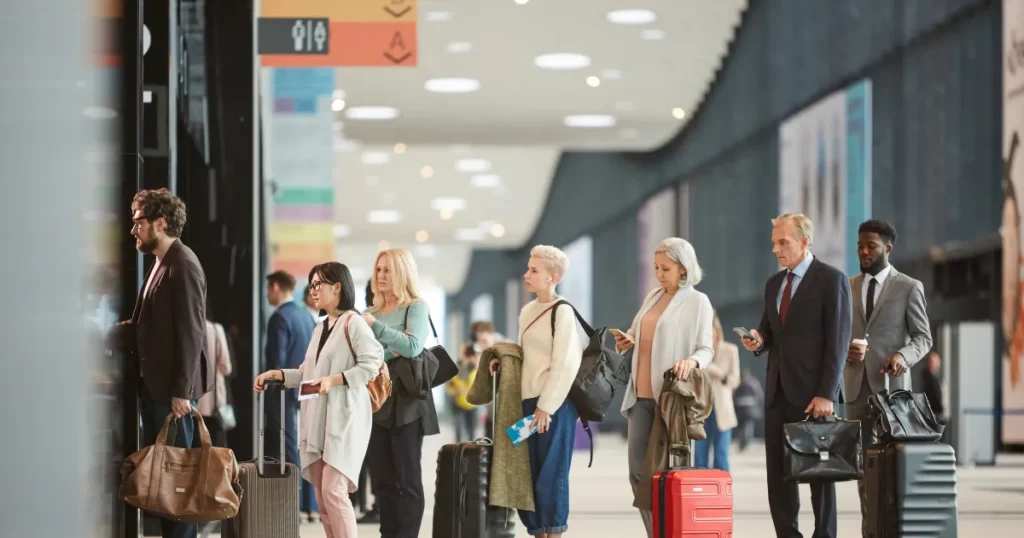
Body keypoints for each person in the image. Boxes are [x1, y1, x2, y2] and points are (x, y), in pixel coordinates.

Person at [253, 262, 384, 538]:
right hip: (318, 420)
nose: (312, 290)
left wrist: (333, 380)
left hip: (345, 418)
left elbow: (372, 364)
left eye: (318, 284)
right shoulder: (319, 327)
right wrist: (276, 374)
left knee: (334, 492)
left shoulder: (353, 322)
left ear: (337, 287)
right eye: (311, 285)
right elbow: (306, 372)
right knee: (324, 500)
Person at [740, 212, 852, 538]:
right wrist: (758, 340)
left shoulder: (831, 280)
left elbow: (838, 341)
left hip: (814, 396)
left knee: (820, 476)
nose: (776, 249)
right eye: (774, 243)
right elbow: (770, 330)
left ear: (804, 241)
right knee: (778, 477)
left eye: (783, 242)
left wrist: (827, 393)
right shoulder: (774, 284)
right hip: (776, 393)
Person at [612, 237, 715, 536]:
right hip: (640, 396)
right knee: (636, 473)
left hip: (670, 400)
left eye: (665, 268)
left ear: (683, 269)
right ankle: (656, 531)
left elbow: (706, 350)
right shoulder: (653, 297)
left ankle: (671, 531)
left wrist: (691, 362)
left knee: (667, 475)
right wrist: (625, 341)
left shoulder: (698, 302)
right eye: (656, 267)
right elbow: (636, 333)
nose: (659, 274)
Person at [124, 188, 210, 538]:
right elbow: (144, 325)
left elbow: (192, 333)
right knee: (166, 478)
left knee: (176, 479)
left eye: (138, 222)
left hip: (171, 394)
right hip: (158, 387)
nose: (133, 230)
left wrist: (181, 392)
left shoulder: (183, 263)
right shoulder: (163, 261)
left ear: (160, 223)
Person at [844, 219, 933, 535]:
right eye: (860, 246)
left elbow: (923, 338)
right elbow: (838, 335)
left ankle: (895, 530)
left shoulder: (909, 287)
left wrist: (902, 356)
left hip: (893, 395)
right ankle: (870, 530)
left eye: (871, 246)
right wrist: (847, 352)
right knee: (863, 471)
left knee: (894, 468)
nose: (864, 251)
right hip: (856, 391)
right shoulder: (849, 286)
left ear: (888, 248)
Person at [490, 245, 583, 538]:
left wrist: (547, 406)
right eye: (528, 268)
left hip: (553, 407)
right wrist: (502, 362)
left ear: (551, 278)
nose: (526, 274)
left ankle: (552, 533)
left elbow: (565, 364)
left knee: (551, 475)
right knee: (525, 474)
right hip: (526, 405)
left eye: (534, 270)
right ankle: (537, 531)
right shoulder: (528, 310)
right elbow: (524, 355)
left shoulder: (563, 311)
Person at [363, 248, 440, 538]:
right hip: (376, 400)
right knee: (382, 479)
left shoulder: (415, 307)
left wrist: (379, 332)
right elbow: (365, 356)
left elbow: (412, 347)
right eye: (379, 269)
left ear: (402, 273)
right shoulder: (368, 313)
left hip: (407, 401)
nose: (381, 275)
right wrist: (390, 346)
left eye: (388, 270)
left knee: (406, 478)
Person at [264, 270, 319, 521]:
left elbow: (276, 362)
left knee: (286, 449)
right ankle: (310, 505)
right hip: (306, 393)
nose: (267, 295)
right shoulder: (305, 318)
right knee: (305, 447)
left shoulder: (280, 318)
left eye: (268, 289)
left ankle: (292, 507)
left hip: (285, 394)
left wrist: (271, 391)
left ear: (275, 287)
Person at [693, 310, 741, 472]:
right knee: (699, 458)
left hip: (723, 411)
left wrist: (718, 372)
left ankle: (722, 494)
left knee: (721, 456)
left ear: (717, 333)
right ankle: (701, 493)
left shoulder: (730, 350)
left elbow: (735, 380)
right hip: (701, 411)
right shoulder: (696, 353)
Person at [447, 343, 481, 442]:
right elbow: (449, 387)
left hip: (472, 405)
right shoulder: (457, 368)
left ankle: (471, 453)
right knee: (459, 432)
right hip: (458, 404)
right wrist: (456, 391)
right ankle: (458, 453)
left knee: (471, 433)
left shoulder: (477, 369)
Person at [732, 369, 764, 452]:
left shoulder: (738, 382)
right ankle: (745, 442)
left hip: (739, 408)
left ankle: (742, 442)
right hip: (751, 408)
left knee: (741, 426)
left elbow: (734, 395)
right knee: (748, 426)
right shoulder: (754, 383)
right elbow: (759, 395)